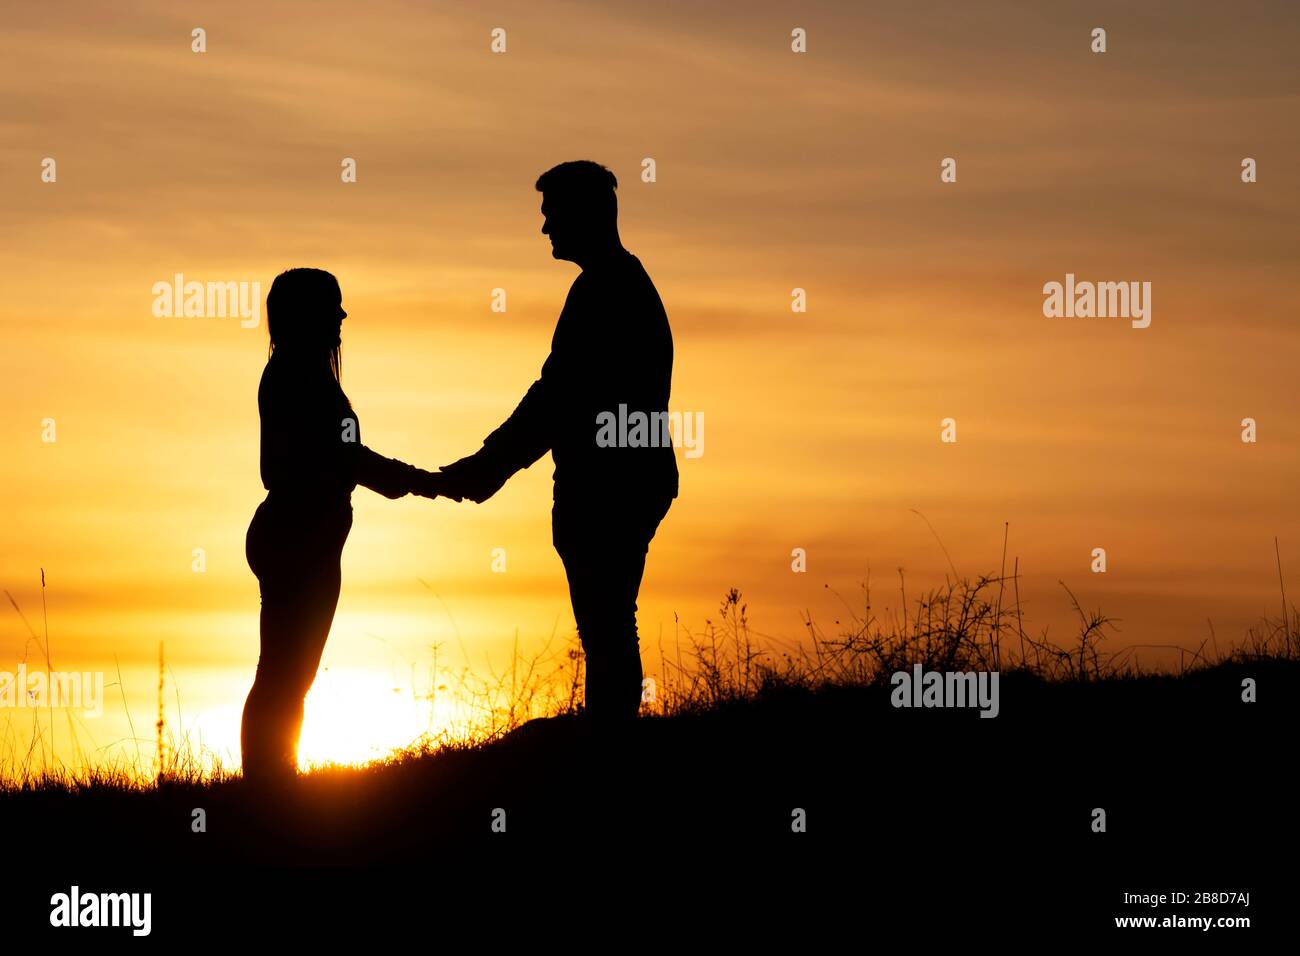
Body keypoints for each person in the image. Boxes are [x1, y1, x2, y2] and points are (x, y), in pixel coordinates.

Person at [434, 161, 678, 726]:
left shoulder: (604, 291)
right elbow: (559, 398)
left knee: (608, 620)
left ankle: (610, 743)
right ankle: (611, 737)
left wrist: (485, 467)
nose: (545, 229)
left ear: (584, 214)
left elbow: (557, 398)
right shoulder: (617, 285)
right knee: (611, 618)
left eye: (552, 215)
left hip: (609, 487)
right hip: (627, 481)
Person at [242, 267, 441, 782]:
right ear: (306, 315)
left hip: (304, 538)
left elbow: (345, 457)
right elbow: (341, 460)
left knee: (288, 673)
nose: (342, 316)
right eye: (332, 307)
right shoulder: (296, 376)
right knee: (285, 673)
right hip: (296, 539)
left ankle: (273, 777)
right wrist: (419, 480)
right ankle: (269, 781)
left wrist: (401, 478)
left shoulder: (303, 374)